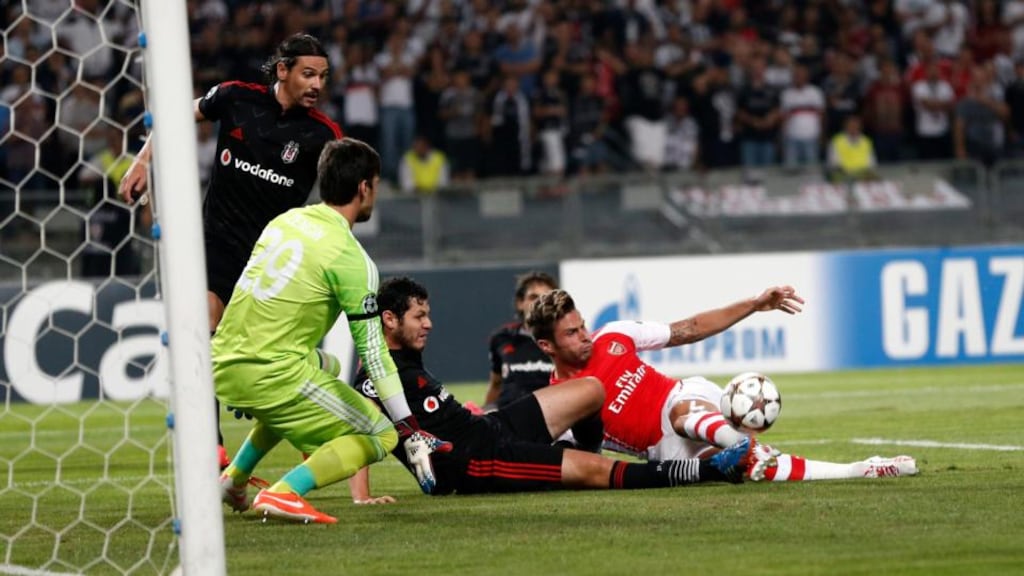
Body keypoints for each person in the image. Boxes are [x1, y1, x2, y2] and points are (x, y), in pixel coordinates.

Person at [118, 33, 343, 468]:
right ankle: (211, 450)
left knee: (272, 359)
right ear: (283, 70)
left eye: (323, 76)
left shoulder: (323, 135)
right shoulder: (236, 98)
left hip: (271, 260)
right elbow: (178, 117)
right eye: (308, 74)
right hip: (216, 242)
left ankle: (304, 448)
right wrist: (144, 161)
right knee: (201, 326)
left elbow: (339, 196)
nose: (317, 84)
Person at [348, 277, 770, 501]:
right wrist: (362, 497)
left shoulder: (401, 361)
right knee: (593, 475)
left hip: (491, 428)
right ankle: (709, 470)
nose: (429, 324)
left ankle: (586, 453)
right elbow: (355, 433)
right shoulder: (374, 377)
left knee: (590, 390)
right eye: (420, 316)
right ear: (389, 320)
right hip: (476, 464)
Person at [213, 139, 450, 524]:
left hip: (224, 359)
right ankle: (286, 492)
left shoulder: (284, 221)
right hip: (269, 372)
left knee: (327, 363)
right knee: (381, 435)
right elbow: (374, 355)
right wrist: (409, 429)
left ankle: (234, 478)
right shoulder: (350, 256)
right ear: (364, 188)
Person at [528, 289, 918, 482]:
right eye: (572, 332)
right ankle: (860, 470)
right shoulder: (558, 404)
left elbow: (690, 329)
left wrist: (753, 304)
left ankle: (742, 444)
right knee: (753, 472)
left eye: (582, 325)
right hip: (663, 450)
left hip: (683, 398)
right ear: (547, 346)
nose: (585, 336)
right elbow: (585, 459)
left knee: (683, 416)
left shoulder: (614, 335)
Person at [482, 272, 558, 412]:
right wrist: (484, 413)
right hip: (507, 420)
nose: (539, 302)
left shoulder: (563, 340)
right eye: (533, 297)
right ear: (520, 303)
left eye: (546, 298)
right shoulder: (501, 338)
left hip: (551, 420)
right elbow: (496, 384)